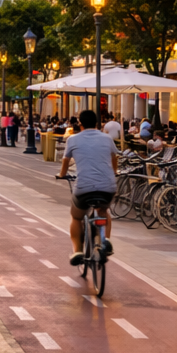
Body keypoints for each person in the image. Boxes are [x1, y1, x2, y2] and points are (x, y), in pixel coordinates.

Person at [58, 109, 117, 266]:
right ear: (97, 123)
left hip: (84, 187)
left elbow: (65, 160)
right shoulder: (107, 138)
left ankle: (77, 250)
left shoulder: (73, 139)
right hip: (108, 186)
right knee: (104, 211)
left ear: (80, 124)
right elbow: (113, 158)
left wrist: (62, 174)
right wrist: (114, 173)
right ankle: (106, 241)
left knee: (77, 217)